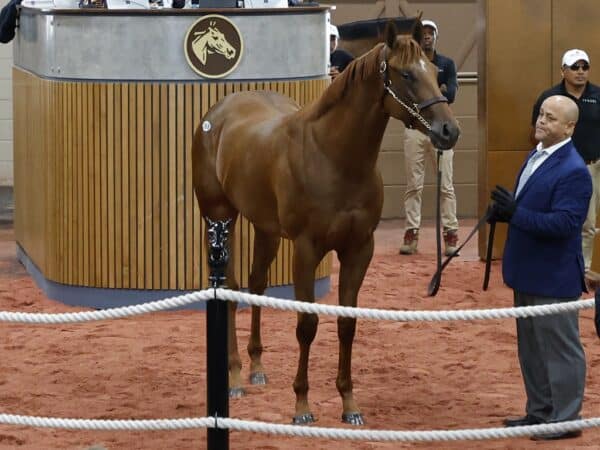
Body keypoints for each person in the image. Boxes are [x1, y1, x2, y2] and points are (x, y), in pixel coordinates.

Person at [491, 95, 591, 441]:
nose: (541, 121)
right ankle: (540, 411)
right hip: (528, 272)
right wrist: (505, 213)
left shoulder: (574, 170)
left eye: (550, 118)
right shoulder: (537, 156)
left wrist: (515, 214)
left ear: (569, 127)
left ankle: (565, 419)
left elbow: (565, 224)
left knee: (560, 349)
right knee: (531, 348)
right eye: (541, 115)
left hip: (554, 276)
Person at [531, 49, 600, 286]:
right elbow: (537, 131)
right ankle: (560, 267)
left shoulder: (597, 95)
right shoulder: (550, 97)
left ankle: (583, 268)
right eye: (575, 67)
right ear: (563, 70)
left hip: (593, 167)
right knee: (561, 220)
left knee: (589, 224)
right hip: (559, 168)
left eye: (584, 67)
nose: (580, 72)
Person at [399, 19, 459, 256]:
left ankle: (450, 234)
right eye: (423, 33)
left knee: (446, 186)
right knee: (413, 184)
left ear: (436, 36)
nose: (426, 36)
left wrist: (437, 92)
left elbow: (451, 93)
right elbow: (407, 96)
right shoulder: (410, 64)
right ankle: (411, 232)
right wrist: (438, 89)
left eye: (430, 33)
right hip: (415, 129)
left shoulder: (446, 63)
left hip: (439, 131)